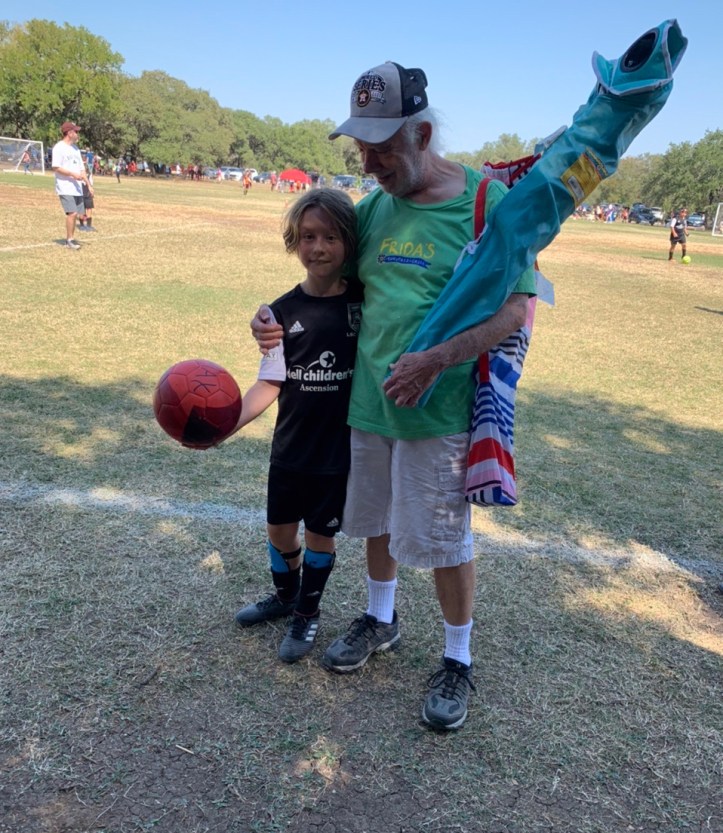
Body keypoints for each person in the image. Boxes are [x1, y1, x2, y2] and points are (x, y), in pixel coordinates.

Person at [251, 62, 536, 729]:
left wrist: (436, 359)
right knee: (374, 521)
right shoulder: (373, 209)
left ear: (422, 134)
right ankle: (380, 618)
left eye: (381, 147)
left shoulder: (486, 204)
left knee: (443, 539)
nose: (369, 163)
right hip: (368, 407)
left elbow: (514, 309)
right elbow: (326, 283)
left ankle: (457, 658)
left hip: (439, 410)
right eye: (361, 148)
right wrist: (271, 317)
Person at [234, 188, 362, 664]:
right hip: (290, 449)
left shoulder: (365, 303)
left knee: (319, 536)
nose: (319, 247)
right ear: (294, 242)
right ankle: (286, 596)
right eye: (308, 237)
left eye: (330, 237)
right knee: (279, 531)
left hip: (336, 454)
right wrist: (225, 425)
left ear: (348, 243)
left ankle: (308, 612)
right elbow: (269, 382)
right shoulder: (280, 313)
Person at [51, 122, 93, 250]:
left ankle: (71, 238)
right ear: (69, 133)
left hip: (77, 188)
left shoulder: (75, 149)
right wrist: (72, 174)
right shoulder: (59, 147)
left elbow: (81, 169)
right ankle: (69, 240)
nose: (78, 134)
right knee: (72, 213)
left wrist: (88, 185)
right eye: (76, 131)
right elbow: (56, 167)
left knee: (78, 213)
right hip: (65, 187)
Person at [77, 153, 97, 232]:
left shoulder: (89, 173)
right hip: (81, 193)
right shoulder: (78, 172)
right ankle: (82, 225)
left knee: (88, 209)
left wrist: (91, 191)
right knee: (82, 210)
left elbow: (91, 183)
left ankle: (88, 225)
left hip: (87, 193)